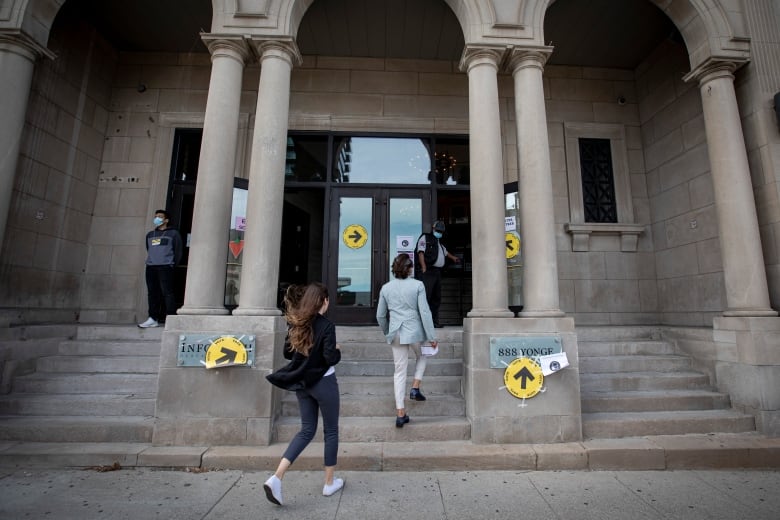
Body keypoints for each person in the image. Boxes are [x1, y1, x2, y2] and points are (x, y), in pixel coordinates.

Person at [264, 283, 344, 506]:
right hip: (324, 383)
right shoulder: (327, 326)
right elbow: (330, 358)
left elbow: (287, 353)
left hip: (302, 384)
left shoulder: (296, 322)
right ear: (324, 301)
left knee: (306, 430)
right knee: (331, 431)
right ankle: (329, 483)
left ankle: (276, 477)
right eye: (327, 300)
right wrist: (337, 350)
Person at [377, 254, 438, 428]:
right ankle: (415, 387)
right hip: (414, 332)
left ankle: (400, 413)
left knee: (399, 371)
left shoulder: (386, 288)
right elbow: (425, 312)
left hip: (395, 332)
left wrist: (387, 332)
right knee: (423, 355)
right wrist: (432, 337)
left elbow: (380, 316)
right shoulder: (418, 285)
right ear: (410, 268)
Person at [138, 209, 183, 328]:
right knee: (152, 293)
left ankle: (171, 318)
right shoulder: (150, 234)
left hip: (166, 266)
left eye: (160, 217)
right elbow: (149, 249)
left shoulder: (173, 234)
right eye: (156, 216)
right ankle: (153, 318)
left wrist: (172, 264)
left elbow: (178, 251)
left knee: (167, 293)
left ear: (166, 220)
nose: (157, 218)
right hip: (151, 266)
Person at [415, 220, 460, 328]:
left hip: (436, 273)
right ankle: (424, 323)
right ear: (433, 229)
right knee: (426, 297)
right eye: (438, 230)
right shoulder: (425, 238)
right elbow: (420, 252)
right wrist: (424, 267)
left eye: (441, 231)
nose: (439, 233)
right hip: (428, 272)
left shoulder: (438, 242)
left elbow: (445, 252)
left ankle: (434, 322)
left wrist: (454, 258)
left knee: (436, 298)